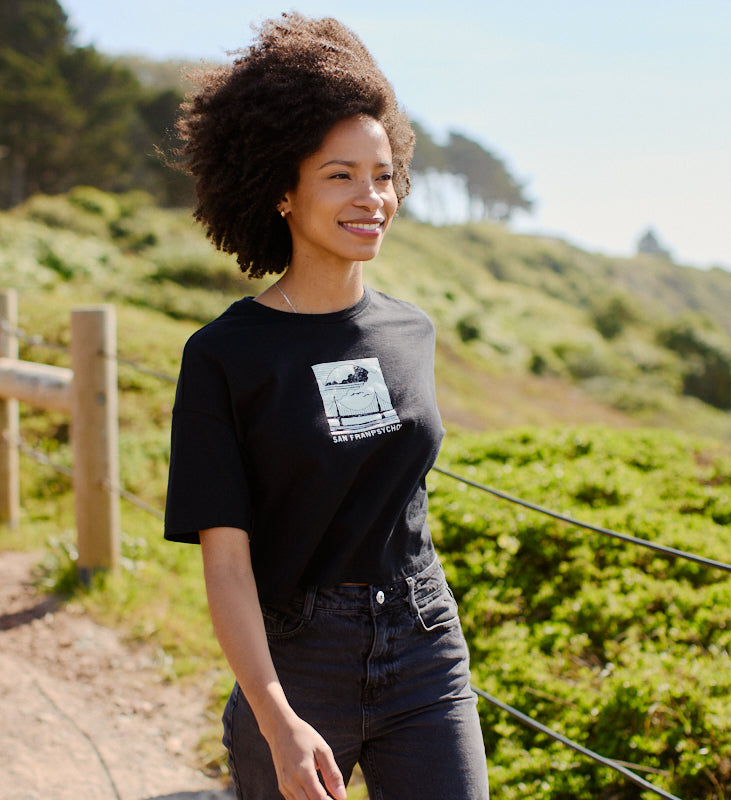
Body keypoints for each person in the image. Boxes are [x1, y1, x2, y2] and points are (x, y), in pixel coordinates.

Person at [164, 12, 489, 800]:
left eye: (382, 175)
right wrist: (276, 719)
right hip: (296, 660)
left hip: (423, 643)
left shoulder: (412, 332)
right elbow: (228, 564)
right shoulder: (223, 357)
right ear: (283, 189)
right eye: (339, 175)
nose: (370, 197)